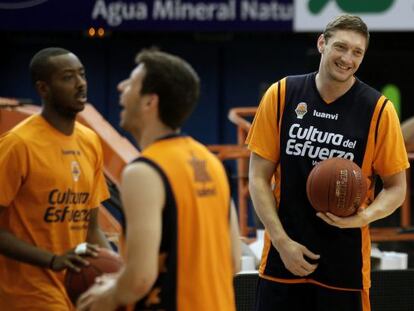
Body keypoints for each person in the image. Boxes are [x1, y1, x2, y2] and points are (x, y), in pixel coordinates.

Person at [246, 14, 409, 311]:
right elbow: (257, 176)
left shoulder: (378, 110)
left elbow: (397, 188)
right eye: (341, 47)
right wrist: (281, 242)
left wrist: (364, 217)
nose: (348, 58)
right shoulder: (282, 94)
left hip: (344, 262)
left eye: (357, 52)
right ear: (322, 43)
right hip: (284, 256)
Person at [76, 49, 241, 311]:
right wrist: (122, 280)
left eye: (131, 82)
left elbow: (140, 278)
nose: (121, 87)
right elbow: (234, 261)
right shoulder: (211, 163)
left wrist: (106, 297)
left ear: (149, 102)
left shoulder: (144, 171)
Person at [0, 47, 111, 311]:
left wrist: (116, 272)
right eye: (68, 77)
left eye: (82, 75)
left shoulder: (90, 141)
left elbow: (91, 228)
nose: (81, 83)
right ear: (43, 89)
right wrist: (52, 259)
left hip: (75, 288)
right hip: (28, 293)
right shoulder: (18, 145)